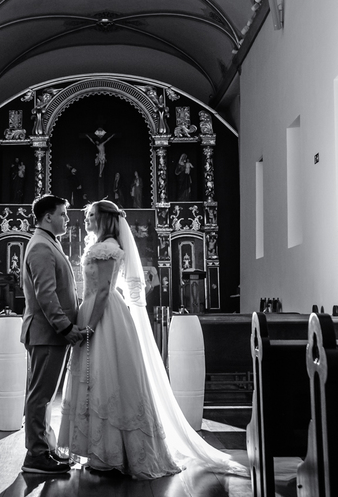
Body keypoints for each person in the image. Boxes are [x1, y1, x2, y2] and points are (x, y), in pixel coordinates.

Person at [58, 199, 241, 479]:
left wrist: (90, 327)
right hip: (92, 311)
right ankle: (98, 451)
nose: (86, 220)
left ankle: (114, 454)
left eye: (92, 216)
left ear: (106, 220)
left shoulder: (108, 249)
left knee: (109, 378)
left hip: (104, 317)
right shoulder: (99, 247)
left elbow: (105, 290)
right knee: (94, 378)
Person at [20, 194, 83, 475]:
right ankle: (35, 455)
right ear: (48, 217)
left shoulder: (48, 243)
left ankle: (44, 448)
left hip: (50, 334)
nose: (67, 220)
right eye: (63, 215)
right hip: (47, 333)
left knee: (45, 396)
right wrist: (66, 327)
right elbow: (46, 295)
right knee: (40, 395)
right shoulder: (41, 247)